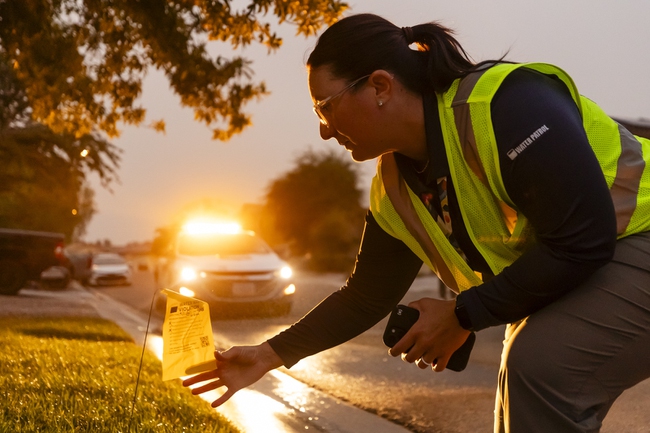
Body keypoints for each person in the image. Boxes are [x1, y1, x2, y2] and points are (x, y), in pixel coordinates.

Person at [183, 13, 650, 432]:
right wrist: (267, 355)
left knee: (542, 367)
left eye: (324, 107)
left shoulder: (506, 105)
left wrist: (465, 314)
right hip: (593, 256)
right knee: (517, 392)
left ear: (381, 86)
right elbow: (366, 295)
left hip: (635, 239)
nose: (323, 128)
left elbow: (583, 240)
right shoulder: (394, 189)